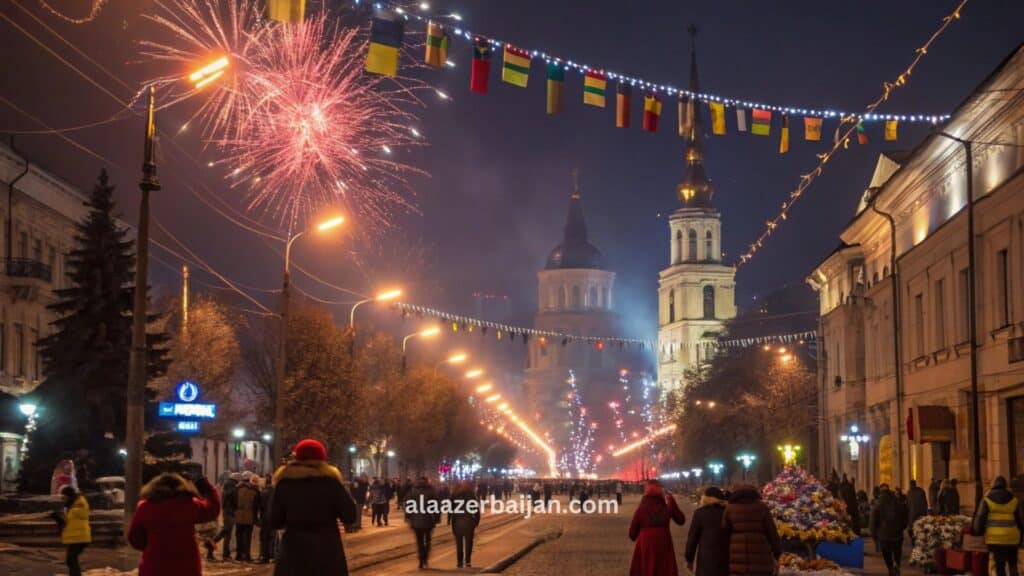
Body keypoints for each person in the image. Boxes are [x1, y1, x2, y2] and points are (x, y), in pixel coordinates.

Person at [270, 438, 358, 576]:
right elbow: (349, 516)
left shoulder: (285, 483)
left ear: (297, 457)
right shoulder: (331, 482)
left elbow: (274, 520)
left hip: (294, 550)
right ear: (322, 458)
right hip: (327, 549)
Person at [127, 473, 221, 576]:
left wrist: (152, 546)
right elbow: (212, 510)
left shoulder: (144, 507)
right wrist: (206, 487)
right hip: (186, 566)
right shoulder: (190, 505)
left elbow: (134, 538)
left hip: (154, 566)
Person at [628, 479, 685, 576]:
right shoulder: (667, 507)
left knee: (647, 568)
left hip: (646, 543)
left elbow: (632, 534)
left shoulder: (641, 509)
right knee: (663, 568)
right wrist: (673, 503)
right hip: (663, 541)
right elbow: (681, 520)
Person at [722, 484, 782, 576]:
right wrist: (777, 553)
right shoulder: (762, 507)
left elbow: (724, 534)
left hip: (737, 560)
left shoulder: (730, 509)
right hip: (761, 560)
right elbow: (772, 532)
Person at [972, 476, 1023, 576]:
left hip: (994, 539)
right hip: (1012, 538)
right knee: (1013, 562)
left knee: (999, 564)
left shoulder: (986, 500)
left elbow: (980, 517)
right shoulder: (1014, 500)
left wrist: (977, 531)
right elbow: (1021, 520)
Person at [684, 486, 728, 576]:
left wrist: (689, 559)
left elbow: (693, 537)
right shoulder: (727, 513)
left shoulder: (699, 513)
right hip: (725, 557)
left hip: (706, 558)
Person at [870, 484, 908, 576]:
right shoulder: (898, 501)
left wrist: (873, 534)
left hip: (884, 534)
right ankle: (897, 565)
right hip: (897, 533)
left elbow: (873, 520)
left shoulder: (878, 503)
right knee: (897, 551)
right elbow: (904, 515)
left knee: (886, 553)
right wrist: (902, 528)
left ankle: (890, 568)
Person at [405, 476, 440, 570]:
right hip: (428, 519)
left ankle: (421, 560)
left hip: (416, 520)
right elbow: (436, 505)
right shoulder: (431, 491)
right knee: (427, 540)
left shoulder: (413, 491)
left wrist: (408, 516)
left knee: (419, 541)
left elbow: (408, 504)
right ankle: (425, 559)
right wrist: (437, 518)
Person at [56, 486, 91, 576]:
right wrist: (58, 518)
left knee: (71, 559)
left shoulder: (79, 503)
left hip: (80, 537)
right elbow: (68, 521)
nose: (63, 500)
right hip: (76, 536)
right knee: (71, 560)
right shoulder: (71, 505)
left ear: (69, 496)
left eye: (64, 497)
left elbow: (77, 515)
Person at [450, 480, 480, 568]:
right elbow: (475, 510)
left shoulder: (454, 494)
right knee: (469, 542)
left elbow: (450, 508)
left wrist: (451, 519)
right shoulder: (471, 495)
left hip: (457, 521)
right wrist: (476, 521)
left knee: (459, 543)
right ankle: (468, 561)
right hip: (468, 520)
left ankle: (459, 562)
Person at [210, 475, 238, 560]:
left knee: (227, 533)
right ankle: (212, 542)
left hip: (226, 511)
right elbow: (235, 502)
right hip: (230, 512)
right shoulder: (233, 489)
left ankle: (226, 553)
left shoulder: (225, 488)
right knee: (226, 530)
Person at [234, 473, 261, 561]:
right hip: (249, 515)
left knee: (239, 536)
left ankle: (238, 555)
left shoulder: (236, 489)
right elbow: (256, 505)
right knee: (247, 537)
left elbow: (233, 502)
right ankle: (247, 556)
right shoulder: (254, 491)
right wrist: (256, 518)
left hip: (238, 515)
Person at [258, 474, 276, 563]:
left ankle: (264, 556)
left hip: (265, 517)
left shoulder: (263, 492)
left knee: (264, 537)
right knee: (272, 537)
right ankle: (272, 555)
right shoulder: (276, 492)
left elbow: (260, 506)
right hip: (273, 517)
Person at [906, 479, 928, 546]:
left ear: (910, 485)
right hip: (921, 513)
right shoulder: (921, 491)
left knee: (913, 528)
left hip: (912, 514)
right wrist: (925, 512)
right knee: (920, 527)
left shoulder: (909, 493)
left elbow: (908, 504)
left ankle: (914, 542)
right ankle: (920, 540)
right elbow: (925, 503)